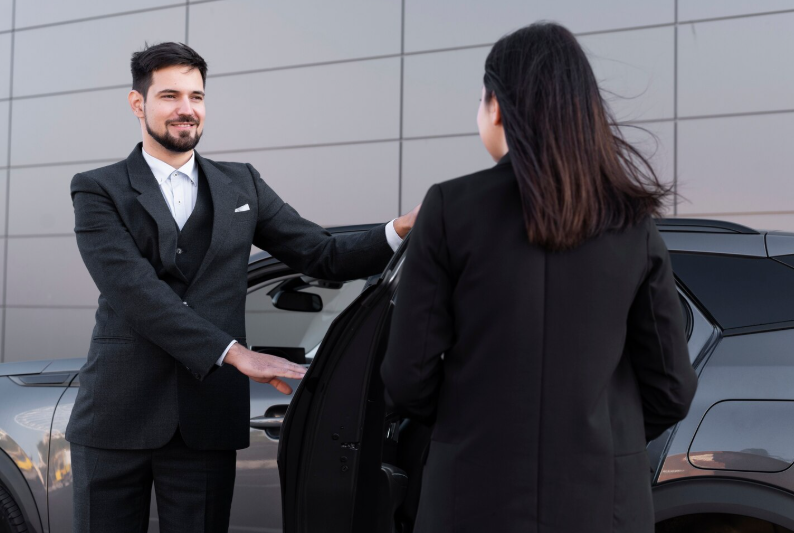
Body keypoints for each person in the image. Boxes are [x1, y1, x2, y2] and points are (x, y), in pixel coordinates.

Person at [66, 42, 418, 533]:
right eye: (170, 96)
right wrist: (234, 353)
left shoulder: (242, 184)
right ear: (137, 103)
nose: (187, 109)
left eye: (196, 96)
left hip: (208, 420)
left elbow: (323, 253)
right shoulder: (97, 188)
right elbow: (135, 292)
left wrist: (401, 227)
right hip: (116, 417)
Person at [381, 22, 697, 533]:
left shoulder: (449, 208)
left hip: (471, 499)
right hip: (604, 507)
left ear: (496, 107)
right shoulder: (632, 222)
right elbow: (672, 389)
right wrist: (602, 438)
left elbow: (406, 377)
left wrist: (468, 424)